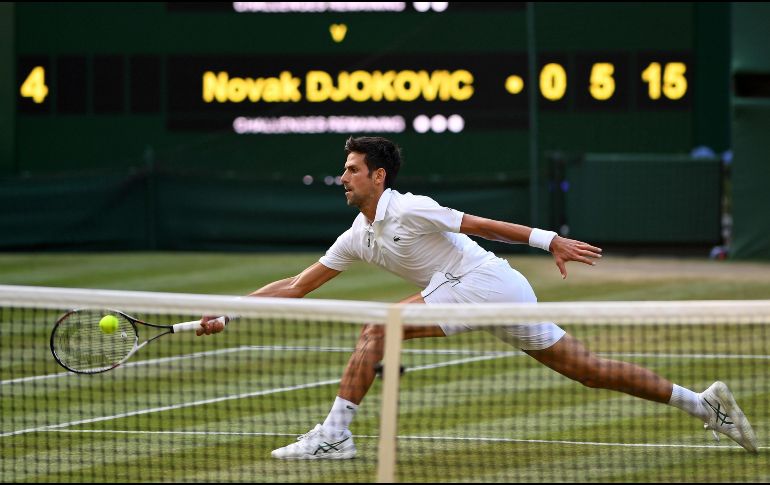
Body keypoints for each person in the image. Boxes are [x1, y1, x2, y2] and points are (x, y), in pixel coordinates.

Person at [197, 136, 758, 458]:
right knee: (588, 370)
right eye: (343, 170)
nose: (342, 178)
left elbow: (481, 224)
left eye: (350, 170)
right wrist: (229, 310)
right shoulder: (355, 237)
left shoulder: (412, 206)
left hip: (487, 283)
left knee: (379, 327)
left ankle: (334, 437)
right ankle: (702, 403)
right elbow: (296, 286)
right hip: (482, 292)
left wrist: (549, 240)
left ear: (379, 176)